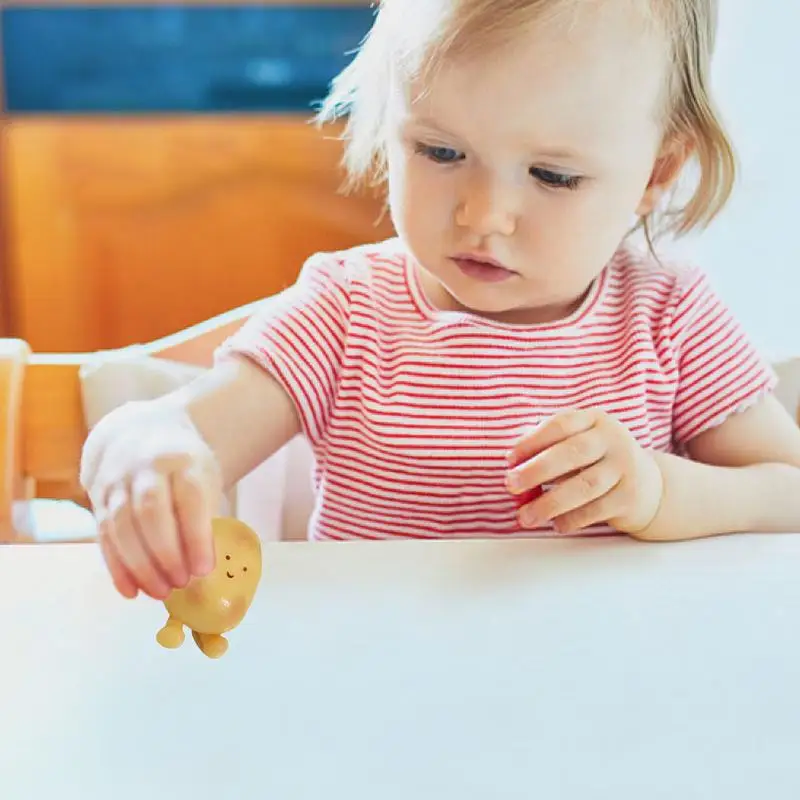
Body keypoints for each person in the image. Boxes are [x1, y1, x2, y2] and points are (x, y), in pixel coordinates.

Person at [80, 0, 800, 601]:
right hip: (376, 696)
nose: (483, 215)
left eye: (551, 175)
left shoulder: (668, 315)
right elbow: (176, 427)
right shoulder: (345, 310)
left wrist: (658, 493)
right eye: (441, 152)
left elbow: (787, 491)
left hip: (603, 700)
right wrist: (147, 451)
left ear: (657, 172)